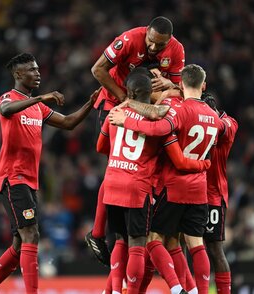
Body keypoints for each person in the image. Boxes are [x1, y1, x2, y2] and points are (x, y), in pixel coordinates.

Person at [0, 53, 100, 294]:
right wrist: (42, 97)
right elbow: (7, 110)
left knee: (20, 243)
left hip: (30, 181)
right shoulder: (7, 98)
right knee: (31, 234)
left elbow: (69, 122)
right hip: (13, 177)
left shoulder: (38, 108)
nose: (38, 73)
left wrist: (90, 103)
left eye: (38, 68)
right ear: (19, 74)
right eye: (32, 69)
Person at [110, 64, 225, 294]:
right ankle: (198, 291)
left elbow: (160, 128)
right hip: (199, 189)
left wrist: (127, 121)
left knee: (153, 238)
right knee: (195, 244)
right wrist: (204, 164)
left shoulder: (180, 110)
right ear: (203, 85)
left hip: (173, 186)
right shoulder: (215, 118)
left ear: (181, 83)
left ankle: (176, 289)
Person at [86, 15, 186, 267]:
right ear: (147, 34)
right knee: (116, 164)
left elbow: (179, 89)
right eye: (151, 42)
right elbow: (97, 69)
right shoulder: (129, 39)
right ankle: (97, 233)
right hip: (115, 101)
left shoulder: (177, 50)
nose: (153, 48)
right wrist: (122, 98)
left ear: (169, 41)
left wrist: (169, 83)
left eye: (159, 45)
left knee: (142, 162)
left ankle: (135, 217)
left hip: (146, 105)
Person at [201, 93, 238, 294]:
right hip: (191, 192)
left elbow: (219, 126)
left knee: (214, 249)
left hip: (213, 196)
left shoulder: (229, 123)